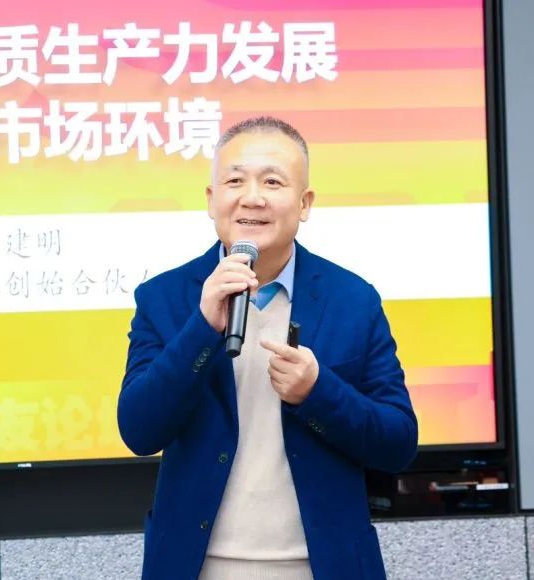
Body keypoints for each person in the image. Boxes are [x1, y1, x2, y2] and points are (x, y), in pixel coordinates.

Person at [117, 116, 418, 580]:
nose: (252, 197)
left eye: (272, 182)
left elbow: (398, 443)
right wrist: (201, 328)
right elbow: (139, 430)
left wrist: (317, 392)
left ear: (305, 203)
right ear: (212, 199)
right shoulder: (164, 298)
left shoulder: (353, 301)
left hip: (324, 568)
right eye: (235, 181)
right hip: (197, 569)